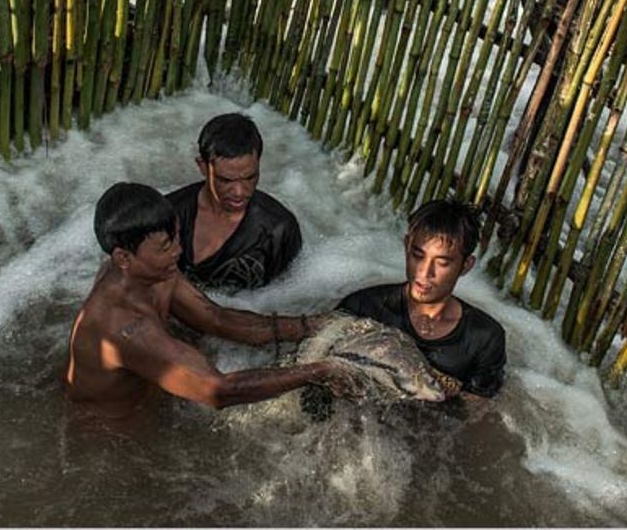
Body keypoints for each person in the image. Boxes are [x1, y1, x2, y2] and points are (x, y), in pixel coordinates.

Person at [65, 182, 341, 418]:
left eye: (177, 237)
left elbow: (214, 318)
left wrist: (315, 326)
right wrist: (324, 370)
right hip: (113, 436)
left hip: (149, 401)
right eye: (166, 246)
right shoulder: (124, 329)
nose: (178, 251)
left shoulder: (152, 271)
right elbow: (218, 391)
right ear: (123, 257)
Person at [337, 200, 506, 398]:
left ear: (466, 265)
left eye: (442, 263)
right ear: (406, 246)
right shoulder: (364, 307)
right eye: (418, 255)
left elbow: (480, 410)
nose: (425, 272)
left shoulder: (484, 338)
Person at [165, 113, 303, 291]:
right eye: (226, 180)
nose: (239, 192)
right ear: (203, 167)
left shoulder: (278, 230)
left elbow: (293, 294)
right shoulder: (168, 213)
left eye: (250, 178)